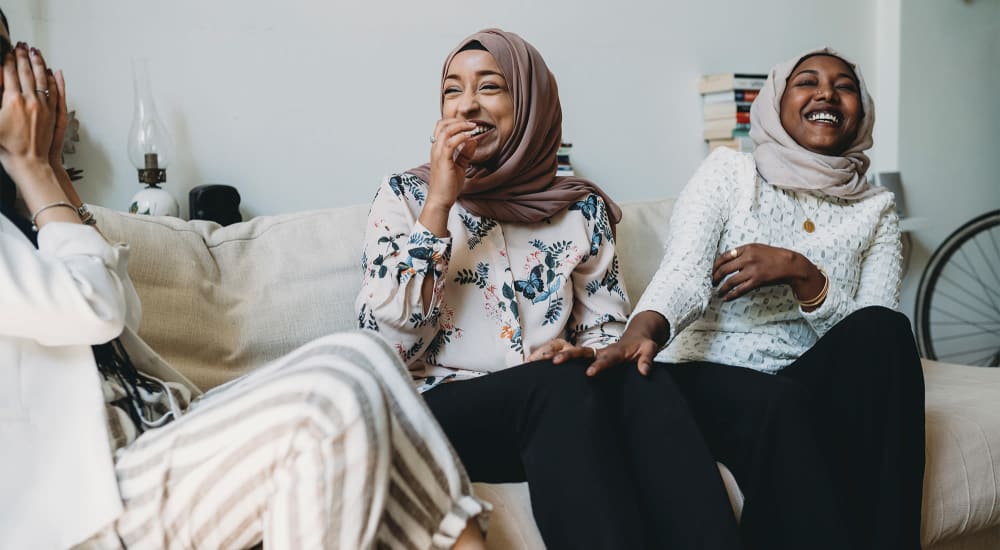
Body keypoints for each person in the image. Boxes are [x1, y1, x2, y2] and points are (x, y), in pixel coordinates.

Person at [0, 14, 487, 550]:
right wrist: (34, 167)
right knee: (327, 400)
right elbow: (92, 308)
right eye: (5, 54)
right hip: (86, 507)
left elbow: (117, 321)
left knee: (364, 356)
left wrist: (50, 169)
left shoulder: (25, 215)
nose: (24, 73)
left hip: (150, 442)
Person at [357, 28, 748, 549]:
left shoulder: (580, 211)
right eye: (453, 90)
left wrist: (578, 350)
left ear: (530, 105)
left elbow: (608, 335)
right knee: (556, 385)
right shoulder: (407, 197)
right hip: (436, 416)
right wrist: (439, 207)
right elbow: (385, 347)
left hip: (555, 414)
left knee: (638, 375)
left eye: (490, 87)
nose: (467, 106)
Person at [565, 48, 925, 550]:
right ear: (775, 103)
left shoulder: (876, 208)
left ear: (861, 111)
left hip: (804, 377)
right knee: (785, 405)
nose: (826, 93)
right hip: (705, 373)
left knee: (887, 330)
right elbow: (684, 272)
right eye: (807, 82)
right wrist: (641, 330)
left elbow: (869, 340)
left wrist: (804, 274)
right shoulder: (729, 174)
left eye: (845, 86)